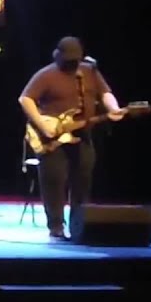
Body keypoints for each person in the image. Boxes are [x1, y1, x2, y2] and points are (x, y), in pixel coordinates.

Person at [19, 36, 125, 239]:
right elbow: (25, 98)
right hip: (53, 138)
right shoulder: (46, 75)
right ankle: (56, 225)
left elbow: (105, 93)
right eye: (68, 60)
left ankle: (79, 224)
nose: (72, 64)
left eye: (75, 60)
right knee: (54, 180)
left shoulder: (89, 72)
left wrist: (113, 107)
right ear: (57, 56)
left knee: (83, 179)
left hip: (82, 135)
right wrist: (42, 125)